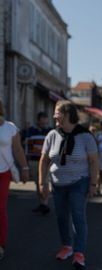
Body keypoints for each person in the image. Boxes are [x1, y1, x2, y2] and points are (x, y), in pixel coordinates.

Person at [39, 101, 99, 268]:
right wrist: (41, 181)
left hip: (79, 182)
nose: (54, 116)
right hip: (57, 184)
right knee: (61, 217)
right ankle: (67, 246)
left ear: (67, 115)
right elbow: (44, 160)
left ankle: (79, 252)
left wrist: (93, 184)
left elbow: (94, 162)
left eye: (58, 112)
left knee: (78, 217)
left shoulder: (86, 136)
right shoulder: (52, 135)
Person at [0, 100, 29, 260]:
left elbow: (17, 149)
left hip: (3, 173)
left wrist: (24, 168)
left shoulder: (9, 127)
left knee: (1, 209)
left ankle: (1, 245)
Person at [23, 112, 52, 215]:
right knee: (37, 182)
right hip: (34, 160)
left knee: (45, 182)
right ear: (38, 120)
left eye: (46, 119)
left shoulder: (49, 131)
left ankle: (45, 204)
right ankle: (41, 203)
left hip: (45, 161)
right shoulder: (31, 130)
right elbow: (26, 144)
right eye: (43, 119)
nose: (45, 121)